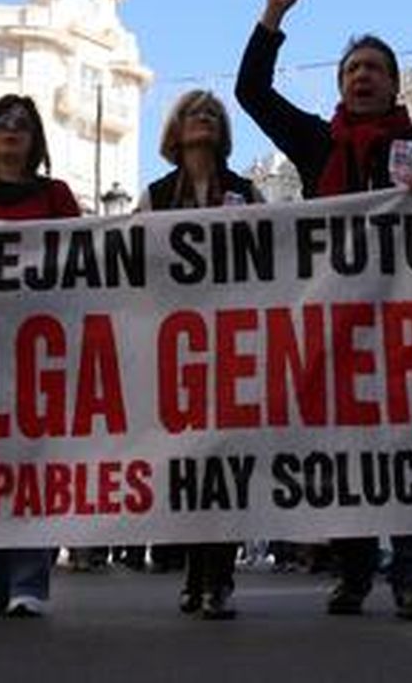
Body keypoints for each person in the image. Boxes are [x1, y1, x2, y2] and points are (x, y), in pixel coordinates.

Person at [235, 0, 412, 623]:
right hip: (336, 322)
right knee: (344, 451)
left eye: (374, 69)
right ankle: (355, 570)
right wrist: (272, 17)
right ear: (341, 86)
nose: (362, 76)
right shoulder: (316, 143)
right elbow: (251, 91)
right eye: (352, 69)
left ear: (395, 85)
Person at [0, 95, 80, 619]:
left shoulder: (56, 195)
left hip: (41, 351)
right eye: (2, 121)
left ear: (35, 139)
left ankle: (29, 582)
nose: (11, 128)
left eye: (22, 123)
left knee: (33, 466)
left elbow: (81, 259)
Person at [141, 89, 263, 621]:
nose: (205, 118)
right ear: (176, 128)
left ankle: (220, 579)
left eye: (214, 113)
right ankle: (197, 569)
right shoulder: (154, 196)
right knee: (189, 465)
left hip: (233, 345)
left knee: (226, 463)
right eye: (195, 112)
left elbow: (277, 249)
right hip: (175, 346)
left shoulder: (246, 192)